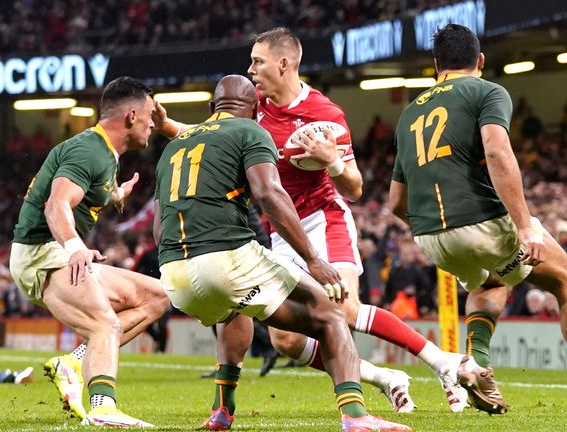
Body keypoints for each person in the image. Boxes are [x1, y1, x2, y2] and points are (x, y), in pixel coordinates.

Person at [156, 27, 467, 417]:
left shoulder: (325, 115)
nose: (251, 69)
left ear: (284, 64)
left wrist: (331, 159)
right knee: (285, 339)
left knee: (342, 308)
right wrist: (167, 126)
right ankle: (386, 379)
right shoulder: (256, 111)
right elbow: (216, 135)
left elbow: (353, 187)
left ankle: (443, 363)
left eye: (258, 61)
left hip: (323, 221)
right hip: (284, 233)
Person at [155, 74, 411, 432]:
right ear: (256, 109)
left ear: (211, 108)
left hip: (174, 274)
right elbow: (269, 194)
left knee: (234, 311)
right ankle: (355, 416)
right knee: (329, 313)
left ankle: (221, 411)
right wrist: (312, 259)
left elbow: (159, 222)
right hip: (225, 259)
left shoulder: (174, 147)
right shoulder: (251, 130)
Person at [388, 23, 567, 415]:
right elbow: (499, 153)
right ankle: (474, 363)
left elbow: (395, 202)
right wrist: (523, 227)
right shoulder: (487, 91)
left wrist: (434, 229)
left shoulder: (407, 116)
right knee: (563, 279)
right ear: (480, 60)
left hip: (430, 237)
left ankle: (475, 363)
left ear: (435, 65)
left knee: (492, 280)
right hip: (480, 222)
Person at [9, 76, 170, 428]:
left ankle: (75, 363)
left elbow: (87, 192)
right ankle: (102, 408)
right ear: (130, 116)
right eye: (149, 115)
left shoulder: (104, 155)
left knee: (157, 297)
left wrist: (114, 196)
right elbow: (56, 205)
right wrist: (75, 247)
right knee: (104, 324)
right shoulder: (90, 150)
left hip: (57, 251)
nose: (152, 124)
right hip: (43, 254)